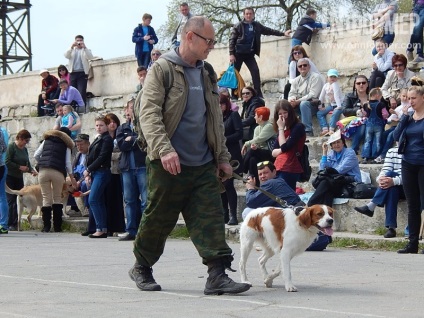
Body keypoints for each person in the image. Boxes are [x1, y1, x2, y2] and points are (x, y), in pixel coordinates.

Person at [130, 16, 250, 295]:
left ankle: (217, 275)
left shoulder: (207, 72)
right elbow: (149, 113)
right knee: (159, 218)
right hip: (168, 163)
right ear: (190, 37)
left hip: (203, 163)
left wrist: (221, 156)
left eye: (213, 41)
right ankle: (141, 267)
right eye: (208, 41)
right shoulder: (162, 69)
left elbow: (215, 119)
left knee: (210, 216)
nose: (212, 46)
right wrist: (164, 149)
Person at [229, 7, 291, 98]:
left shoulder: (256, 25)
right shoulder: (239, 25)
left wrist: (282, 33)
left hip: (249, 54)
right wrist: (231, 53)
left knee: (255, 71)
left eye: (250, 13)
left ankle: (258, 94)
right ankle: (234, 95)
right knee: (235, 73)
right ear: (244, 15)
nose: (248, 15)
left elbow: (269, 31)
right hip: (238, 53)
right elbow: (232, 39)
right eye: (247, 14)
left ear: (253, 15)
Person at [394, 86, 424, 254]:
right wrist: (404, 117)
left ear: (422, 98)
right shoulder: (409, 118)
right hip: (408, 163)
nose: (410, 101)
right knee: (412, 205)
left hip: (423, 164)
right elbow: (395, 137)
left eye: (413, 98)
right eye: (408, 98)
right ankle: (412, 243)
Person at [116, 97, 148, 241]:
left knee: (146, 201)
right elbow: (122, 145)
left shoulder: (145, 124)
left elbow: (144, 141)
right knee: (129, 200)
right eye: (131, 107)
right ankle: (131, 230)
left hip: (142, 166)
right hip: (127, 168)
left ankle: (146, 231)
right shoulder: (122, 128)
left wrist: (132, 139)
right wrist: (134, 139)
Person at [34, 127, 77, 232]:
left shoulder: (46, 140)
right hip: (58, 172)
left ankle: (46, 227)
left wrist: (41, 163)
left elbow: (36, 155)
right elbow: (67, 163)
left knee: (46, 198)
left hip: (43, 171)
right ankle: (57, 227)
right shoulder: (66, 145)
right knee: (57, 198)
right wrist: (72, 178)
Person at [355, 146, 404, 238]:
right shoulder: (392, 151)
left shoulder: (415, 151)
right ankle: (391, 228)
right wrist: (380, 180)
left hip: (411, 187)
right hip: (394, 186)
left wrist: (394, 181)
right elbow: (385, 170)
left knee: (390, 176)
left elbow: (413, 176)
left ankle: (371, 206)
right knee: (391, 189)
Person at [308, 130, 361, 207]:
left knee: (326, 182)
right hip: (334, 182)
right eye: (334, 143)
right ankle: (327, 213)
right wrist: (324, 153)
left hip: (350, 183)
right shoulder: (331, 154)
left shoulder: (350, 153)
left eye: (338, 142)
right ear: (331, 146)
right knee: (327, 188)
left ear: (343, 143)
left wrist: (327, 173)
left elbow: (340, 171)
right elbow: (322, 170)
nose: (336, 145)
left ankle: (311, 204)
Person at [83, 115, 114, 239]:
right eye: (97, 125)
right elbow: (91, 156)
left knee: (93, 199)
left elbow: (102, 157)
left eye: (101, 125)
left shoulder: (107, 139)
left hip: (102, 171)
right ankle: (101, 228)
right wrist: (89, 171)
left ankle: (101, 228)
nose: (98, 127)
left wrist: (89, 169)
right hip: (96, 172)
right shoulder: (99, 138)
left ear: (107, 126)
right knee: (98, 200)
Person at [5, 129, 37, 231]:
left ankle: (16, 223)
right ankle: (10, 223)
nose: (26, 143)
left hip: (19, 177)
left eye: (27, 142)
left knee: (19, 200)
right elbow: (7, 161)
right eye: (25, 141)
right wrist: (19, 167)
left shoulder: (24, 149)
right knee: (11, 200)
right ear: (20, 138)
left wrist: (31, 170)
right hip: (9, 176)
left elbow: (27, 162)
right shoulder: (11, 147)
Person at [271, 100, 306, 190]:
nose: (283, 116)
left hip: (290, 166)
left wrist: (281, 128)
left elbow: (284, 147)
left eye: (285, 112)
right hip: (278, 165)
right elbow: (274, 152)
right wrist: (282, 148)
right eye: (280, 113)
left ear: (290, 112)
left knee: (287, 195)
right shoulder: (282, 130)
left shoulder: (298, 127)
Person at [220, 94, 243, 225]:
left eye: (221, 104)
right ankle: (224, 214)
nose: (219, 107)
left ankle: (233, 214)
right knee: (221, 185)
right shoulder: (216, 118)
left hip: (232, 154)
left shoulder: (233, 115)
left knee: (228, 184)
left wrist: (225, 139)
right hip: (220, 154)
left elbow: (239, 133)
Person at [288, 58, 324, 137]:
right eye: (300, 66)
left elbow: (313, 94)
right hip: (298, 105)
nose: (302, 67)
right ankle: (288, 132)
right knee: (284, 105)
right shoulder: (296, 80)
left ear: (309, 66)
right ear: (298, 68)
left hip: (314, 105)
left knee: (304, 104)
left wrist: (298, 101)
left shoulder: (315, 77)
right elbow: (291, 93)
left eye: (305, 65)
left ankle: (308, 131)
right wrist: (292, 100)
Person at [375, 88, 411, 163]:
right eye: (404, 96)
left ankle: (383, 155)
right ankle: (378, 153)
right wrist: (390, 118)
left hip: (405, 127)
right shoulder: (399, 107)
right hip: (397, 126)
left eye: (408, 97)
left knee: (391, 135)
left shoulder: (410, 107)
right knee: (384, 134)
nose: (405, 98)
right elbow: (389, 120)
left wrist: (396, 113)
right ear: (400, 96)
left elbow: (406, 118)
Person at [241, 107, 275, 187]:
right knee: (252, 159)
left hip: (270, 153)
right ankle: (254, 181)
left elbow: (260, 138)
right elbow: (256, 141)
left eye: (256, 115)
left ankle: (242, 170)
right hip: (260, 152)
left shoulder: (269, 126)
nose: (254, 117)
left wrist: (246, 144)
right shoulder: (257, 128)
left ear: (261, 117)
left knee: (252, 152)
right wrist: (254, 146)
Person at [104, 113, 125, 236]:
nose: (112, 124)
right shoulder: (103, 137)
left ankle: (118, 226)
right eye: (110, 122)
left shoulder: (119, 137)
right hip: (107, 171)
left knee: (117, 200)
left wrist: (111, 155)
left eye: (114, 121)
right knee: (107, 199)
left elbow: (122, 154)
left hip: (117, 172)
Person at [341, 75, 370, 154]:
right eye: (358, 83)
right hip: (352, 123)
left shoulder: (372, 96)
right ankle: (353, 149)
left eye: (363, 83)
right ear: (355, 85)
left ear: (367, 84)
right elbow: (344, 110)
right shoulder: (349, 96)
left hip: (370, 122)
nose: (361, 85)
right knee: (363, 125)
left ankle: (364, 153)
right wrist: (358, 110)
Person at [64, 35, 93, 105]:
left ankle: (82, 107)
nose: (79, 42)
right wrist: (71, 47)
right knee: (72, 91)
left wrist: (85, 47)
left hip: (82, 73)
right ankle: (73, 107)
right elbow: (66, 55)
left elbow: (90, 57)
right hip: (73, 73)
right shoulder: (72, 50)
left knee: (81, 91)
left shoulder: (85, 50)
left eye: (80, 40)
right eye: (77, 40)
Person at [361, 88, 387, 163]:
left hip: (369, 125)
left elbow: (364, 114)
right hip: (378, 125)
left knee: (367, 141)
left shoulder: (366, 104)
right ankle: (375, 156)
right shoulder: (381, 104)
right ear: (377, 95)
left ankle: (365, 157)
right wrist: (385, 119)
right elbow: (385, 114)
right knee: (377, 141)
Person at [317, 69, 344, 136]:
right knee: (319, 113)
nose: (333, 78)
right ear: (327, 78)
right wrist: (320, 106)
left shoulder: (335, 85)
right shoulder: (326, 86)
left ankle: (331, 129)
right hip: (332, 105)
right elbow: (321, 97)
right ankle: (325, 128)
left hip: (340, 104)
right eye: (331, 77)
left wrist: (339, 106)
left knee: (335, 113)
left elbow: (336, 95)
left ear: (337, 78)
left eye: (334, 77)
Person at [0, 124, 9, 234]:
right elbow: (5, 148)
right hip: (1, 165)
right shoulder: (1, 133)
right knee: (2, 196)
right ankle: (3, 225)